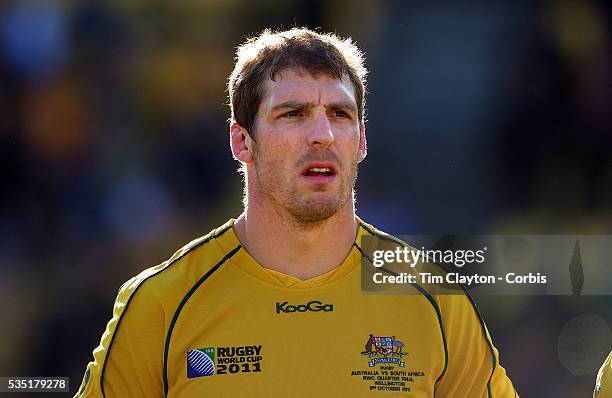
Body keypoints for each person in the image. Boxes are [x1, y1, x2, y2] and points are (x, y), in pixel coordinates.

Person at [75, 27, 519, 397]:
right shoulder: (161, 305)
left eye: (340, 114)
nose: (322, 134)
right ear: (241, 141)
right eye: (294, 113)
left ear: (361, 141)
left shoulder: (434, 301)